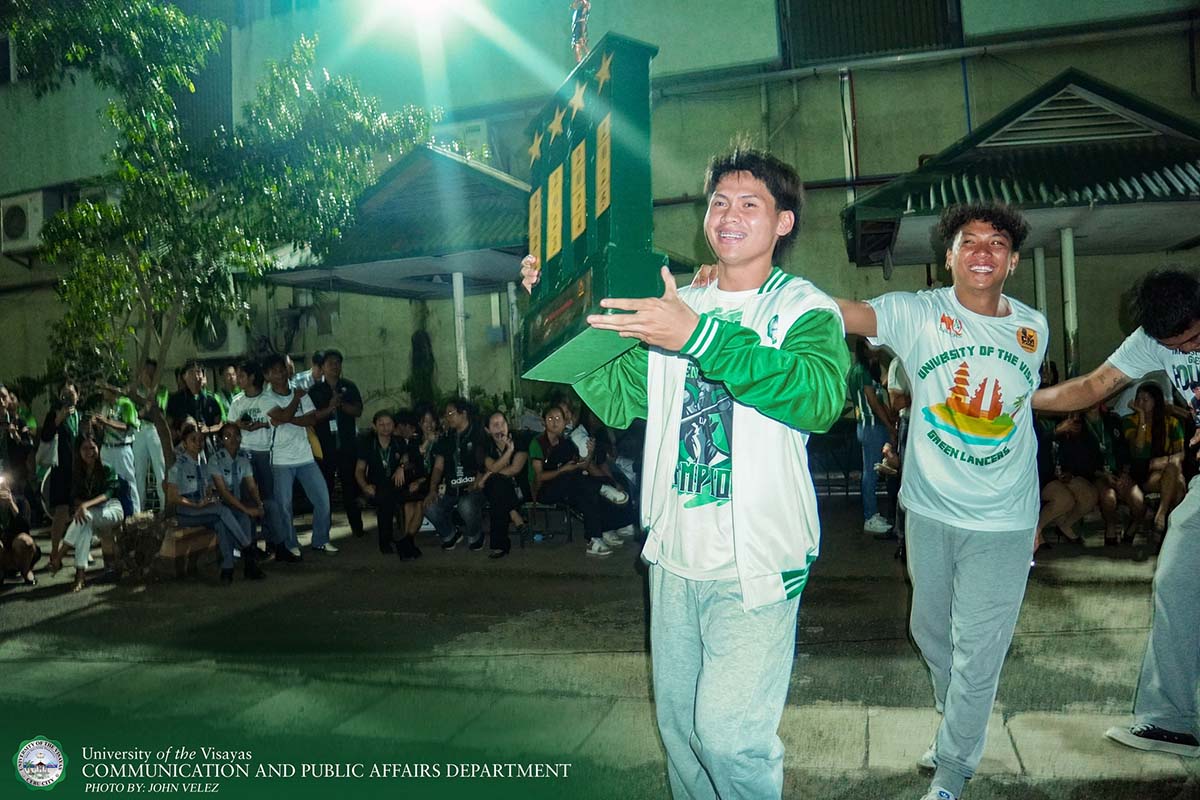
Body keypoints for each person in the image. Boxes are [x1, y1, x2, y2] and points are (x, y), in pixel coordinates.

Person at [522, 145, 849, 798]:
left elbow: (818, 398)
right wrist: (558, 311)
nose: (729, 215)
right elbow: (621, 396)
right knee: (681, 737)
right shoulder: (676, 300)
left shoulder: (804, 308)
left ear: (783, 222)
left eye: (750, 203)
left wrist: (698, 337)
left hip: (757, 562)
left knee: (728, 737)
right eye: (719, 202)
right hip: (674, 557)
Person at [838, 201, 1048, 800]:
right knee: (930, 632)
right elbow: (840, 312)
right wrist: (749, 282)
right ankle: (957, 719)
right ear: (949, 256)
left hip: (1004, 518)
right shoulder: (918, 313)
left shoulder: (1032, 329)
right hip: (929, 511)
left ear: (1012, 261)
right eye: (969, 242)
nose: (983, 252)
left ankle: (954, 767)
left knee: (979, 651)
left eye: (997, 243)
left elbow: (1021, 419)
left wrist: (1035, 514)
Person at [1033, 267, 1200, 759]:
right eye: (1175, 347)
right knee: (1177, 578)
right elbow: (1091, 386)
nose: (1186, 351)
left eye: (1194, 339)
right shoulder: (1150, 341)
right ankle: (1170, 719)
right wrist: (1019, 403)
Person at [530, 404, 633, 557]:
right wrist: (562, 470)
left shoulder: (566, 443)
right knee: (575, 478)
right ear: (543, 421)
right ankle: (601, 488)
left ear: (565, 422)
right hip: (543, 490)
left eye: (558, 418)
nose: (554, 422)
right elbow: (539, 477)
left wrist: (589, 453)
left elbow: (581, 466)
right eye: (550, 418)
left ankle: (595, 539)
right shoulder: (538, 443)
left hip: (566, 486)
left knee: (586, 492)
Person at [262, 353, 336, 555]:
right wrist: (294, 404)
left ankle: (321, 539)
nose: (280, 374)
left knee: (322, 500)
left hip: (305, 456)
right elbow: (285, 414)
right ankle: (290, 543)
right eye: (275, 372)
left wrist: (287, 419)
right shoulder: (266, 398)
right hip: (280, 460)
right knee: (284, 506)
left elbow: (311, 419)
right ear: (267, 376)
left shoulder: (301, 393)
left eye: (282, 370)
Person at [166, 422, 258, 584]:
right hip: (185, 511)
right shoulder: (178, 466)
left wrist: (209, 495)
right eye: (193, 440)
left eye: (201, 440)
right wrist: (196, 505)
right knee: (222, 511)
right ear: (185, 443)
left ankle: (227, 568)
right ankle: (247, 547)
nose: (198, 443)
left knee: (221, 522)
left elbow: (210, 487)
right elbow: (172, 497)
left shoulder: (203, 464)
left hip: (202, 509)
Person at [226, 359, 293, 561]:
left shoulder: (266, 399)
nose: (238, 379)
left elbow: (281, 418)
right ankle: (251, 546)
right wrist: (239, 426)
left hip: (263, 453)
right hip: (243, 454)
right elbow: (228, 430)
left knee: (269, 500)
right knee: (247, 501)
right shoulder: (237, 402)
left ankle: (277, 544)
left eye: (241, 375)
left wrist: (262, 425)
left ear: (252, 377)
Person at [308, 349, 365, 537]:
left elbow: (358, 410)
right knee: (325, 489)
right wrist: (330, 406)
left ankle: (357, 528)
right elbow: (312, 417)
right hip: (325, 447)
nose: (334, 366)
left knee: (350, 487)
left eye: (337, 363)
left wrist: (341, 405)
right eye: (330, 363)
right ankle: (323, 530)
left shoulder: (349, 387)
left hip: (347, 446)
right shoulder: (315, 391)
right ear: (322, 367)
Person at [1120, 382, 1184, 541]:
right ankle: (1165, 527)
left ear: (1156, 401)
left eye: (1145, 399)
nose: (1140, 403)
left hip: (1165, 471)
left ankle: (1161, 516)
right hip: (1141, 472)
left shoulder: (1171, 422)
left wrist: (1165, 461)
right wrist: (1142, 416)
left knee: (1177, 479)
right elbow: (1139, 447)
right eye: (1138, 399)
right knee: (1178, 485)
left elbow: (1181, 454)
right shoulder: (1129, 421)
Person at [63, 435, 125, 591]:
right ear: (78, 452)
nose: (89, 452)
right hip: (91, 512)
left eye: (93, 448)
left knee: (86, 517)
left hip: (112, 508)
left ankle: (60, 555)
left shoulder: (107, 468)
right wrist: (82, 506)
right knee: (84, 524)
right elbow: (74, 497)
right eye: (85, 448)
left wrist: (85, 505)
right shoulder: (77, 472)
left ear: (99, 448)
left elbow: (108, 494)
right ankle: (80, 575)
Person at [425, 398, 486, 552]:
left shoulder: (478, 433)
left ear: (463, 413)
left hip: (474, 487)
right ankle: (450, 534)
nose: (447, 417)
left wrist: (478, 481)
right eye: (446, 414)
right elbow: (438, 467)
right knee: (429, 506)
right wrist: (432, 490)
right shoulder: (447, 438)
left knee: (466, 505)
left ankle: (475, 535)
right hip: (451, 489)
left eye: (451, 413)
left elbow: (485, 464)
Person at [207, 422, 267, 581]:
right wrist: (246, 509)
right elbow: (223, 492)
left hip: (235, 502)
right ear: (221, 440)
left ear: (241, 438)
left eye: (236, 436)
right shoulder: (215, 460)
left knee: (244, 519)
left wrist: (259, 504)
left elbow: (252, 486)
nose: (232, 439)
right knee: (224, 521)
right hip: (217, 503)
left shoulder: (243, 460)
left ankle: (249, 565)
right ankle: (229, 564)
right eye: (227, 436)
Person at [849, 338, 893, 534]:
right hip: (871, 427)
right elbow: (874, 403)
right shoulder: (862, 371)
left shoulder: (862, 370)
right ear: (864, 349)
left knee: (873, 471)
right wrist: (889, 425)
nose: (877, 348)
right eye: (873, 345)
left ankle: (872, 513)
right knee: (871, 472)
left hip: (869, 427)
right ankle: (870, 516)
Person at [354, 409, 409, 556]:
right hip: (376, 485)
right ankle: (385, 541)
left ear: (394, 425)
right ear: (374, 426)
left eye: (389, 424)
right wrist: (365, 486)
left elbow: (406, 458)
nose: (385, 427)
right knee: (385, 498)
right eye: (381, 424)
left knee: (390, 496)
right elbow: (359, 470)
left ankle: (393, 539)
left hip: (396, 483)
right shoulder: (368, 444)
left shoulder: (398, 442)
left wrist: (401, 467)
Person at [477, 411, 530, 559]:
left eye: (502, 423)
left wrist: (486, 476)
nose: (500, 428)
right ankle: (514, 514)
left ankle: (499, 545)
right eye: (495, 425)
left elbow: (514, 469)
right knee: (497, 486)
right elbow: (493, 467)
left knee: (495, 485)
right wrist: (508, 452)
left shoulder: (519, 440)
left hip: (518, 489)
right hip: (499, 491)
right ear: (487, 430)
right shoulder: (485, 446)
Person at [41, 380, 81, 575]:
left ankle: (80, 550)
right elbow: (45, 436)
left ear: (78, 396)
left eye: (71, 393)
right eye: (64, 394)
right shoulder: (54, 413)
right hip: (61, 469)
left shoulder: (79, 415)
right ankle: (54, 552)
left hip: (77, 470)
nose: (68, 397)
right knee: (61, 511)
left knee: (79, 510)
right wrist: (58, 419)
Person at [92, 381, 141, 514]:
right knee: (107, 480)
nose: (103, 393)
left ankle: (136, 514)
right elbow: (103, 429)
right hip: (107, 447)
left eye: (105, 389)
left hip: (122, 448)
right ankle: (112, 512)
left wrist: (107, 421)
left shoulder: (126, 404)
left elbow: (127, 426)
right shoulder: (105, 406)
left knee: (128, 480)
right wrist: (98, 424)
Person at [131, 359, 168, 512]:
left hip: (154, 429)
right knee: (139, 472)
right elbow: (134, 414)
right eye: (146, 371)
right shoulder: (134, 390)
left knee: (160, 470)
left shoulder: (162, 390)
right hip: (139, 430)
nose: (148, 375)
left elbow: (159, 409)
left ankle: (165, 508)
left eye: (151, 372)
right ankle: (138, 510)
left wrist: (148, 390)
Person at [166, 359, 223, 436]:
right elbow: (168, 426)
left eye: (198, 372)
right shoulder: (175, 400)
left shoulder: (211, 400)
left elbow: (220, 425)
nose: (196, 377)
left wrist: (208, 429)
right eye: (191, 373)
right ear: (184, 377)